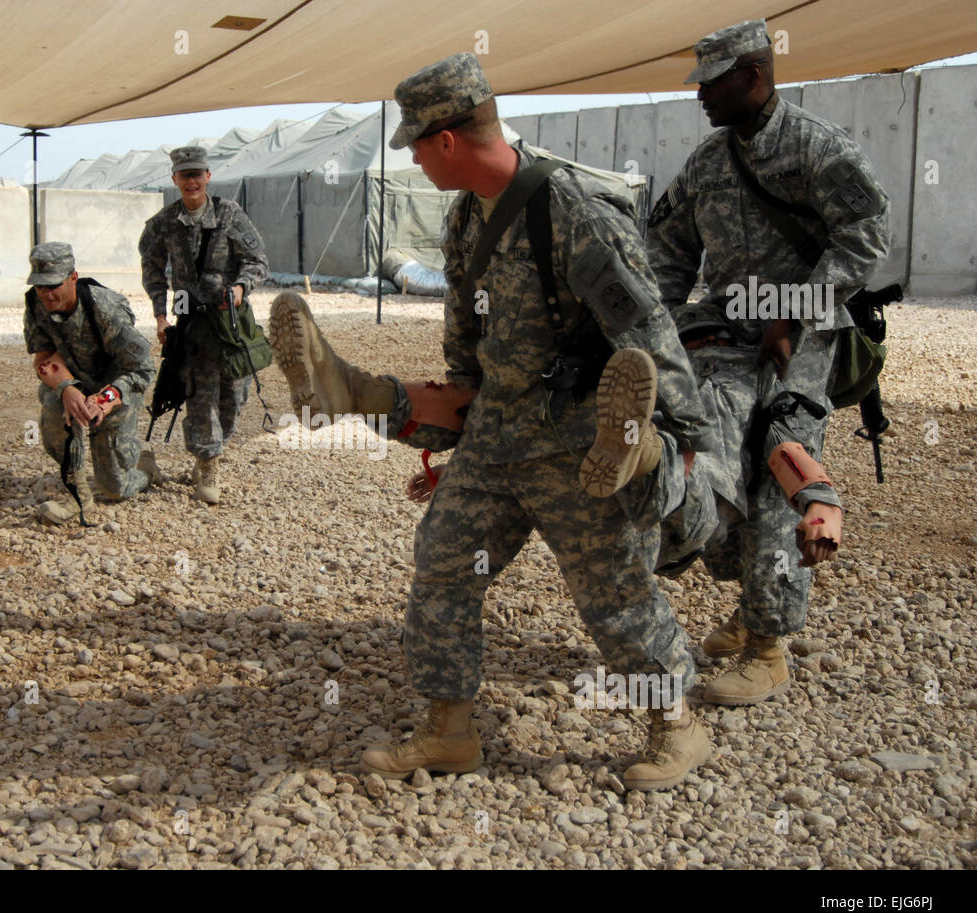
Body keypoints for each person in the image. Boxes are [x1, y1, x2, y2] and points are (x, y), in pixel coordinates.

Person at [272, 53, 724, 791]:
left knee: (612, 596)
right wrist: (454, 438)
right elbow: (467, 358)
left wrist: (687, 443)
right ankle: (449, 731)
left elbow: (648, 331)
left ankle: (676, 722)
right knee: (444, 561)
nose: (412, 159)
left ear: (446, 139)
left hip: (584, 443)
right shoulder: (465, 222)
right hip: (498, 440)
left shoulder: (572, 209)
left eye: (415, 145)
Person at [646, 18, 889, 703]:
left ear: (753, 76)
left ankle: (770, 645)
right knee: (722, 459)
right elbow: (666, 246)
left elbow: (865, 239)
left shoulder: (820, 150)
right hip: (723, 336)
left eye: (712, 82)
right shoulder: (707, 161)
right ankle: (752, 599)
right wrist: (657, 330)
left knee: (782, 464)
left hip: (802, 340)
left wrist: (796, 305)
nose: (700, 95)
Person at [138, 145, 269, 504]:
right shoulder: (164, 222)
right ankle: (207, 460)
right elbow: (151, 268)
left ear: (208, 177)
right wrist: (161, 315)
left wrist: (242, 286)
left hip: (229, 315)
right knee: (200, 391)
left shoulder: (230, 214)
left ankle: (211, 450)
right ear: (175, 179)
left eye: (197, 174)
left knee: (235, 393)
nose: (191, 181)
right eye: (185, 175)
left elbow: (257, 260)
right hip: (189, 314)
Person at [24, 241, 160, 524]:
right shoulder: (36, 305)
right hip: (75, 380)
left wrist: (104, 400)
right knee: (52, 407)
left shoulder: (106, 309)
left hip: (117, 386)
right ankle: (79, 496)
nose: (46, 294)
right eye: (40, 286)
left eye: (53, 285)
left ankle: (146, 469)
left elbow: (143, 368)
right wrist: (66, 390)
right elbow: (43, 360)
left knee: (114, 489)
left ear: (73, 277)